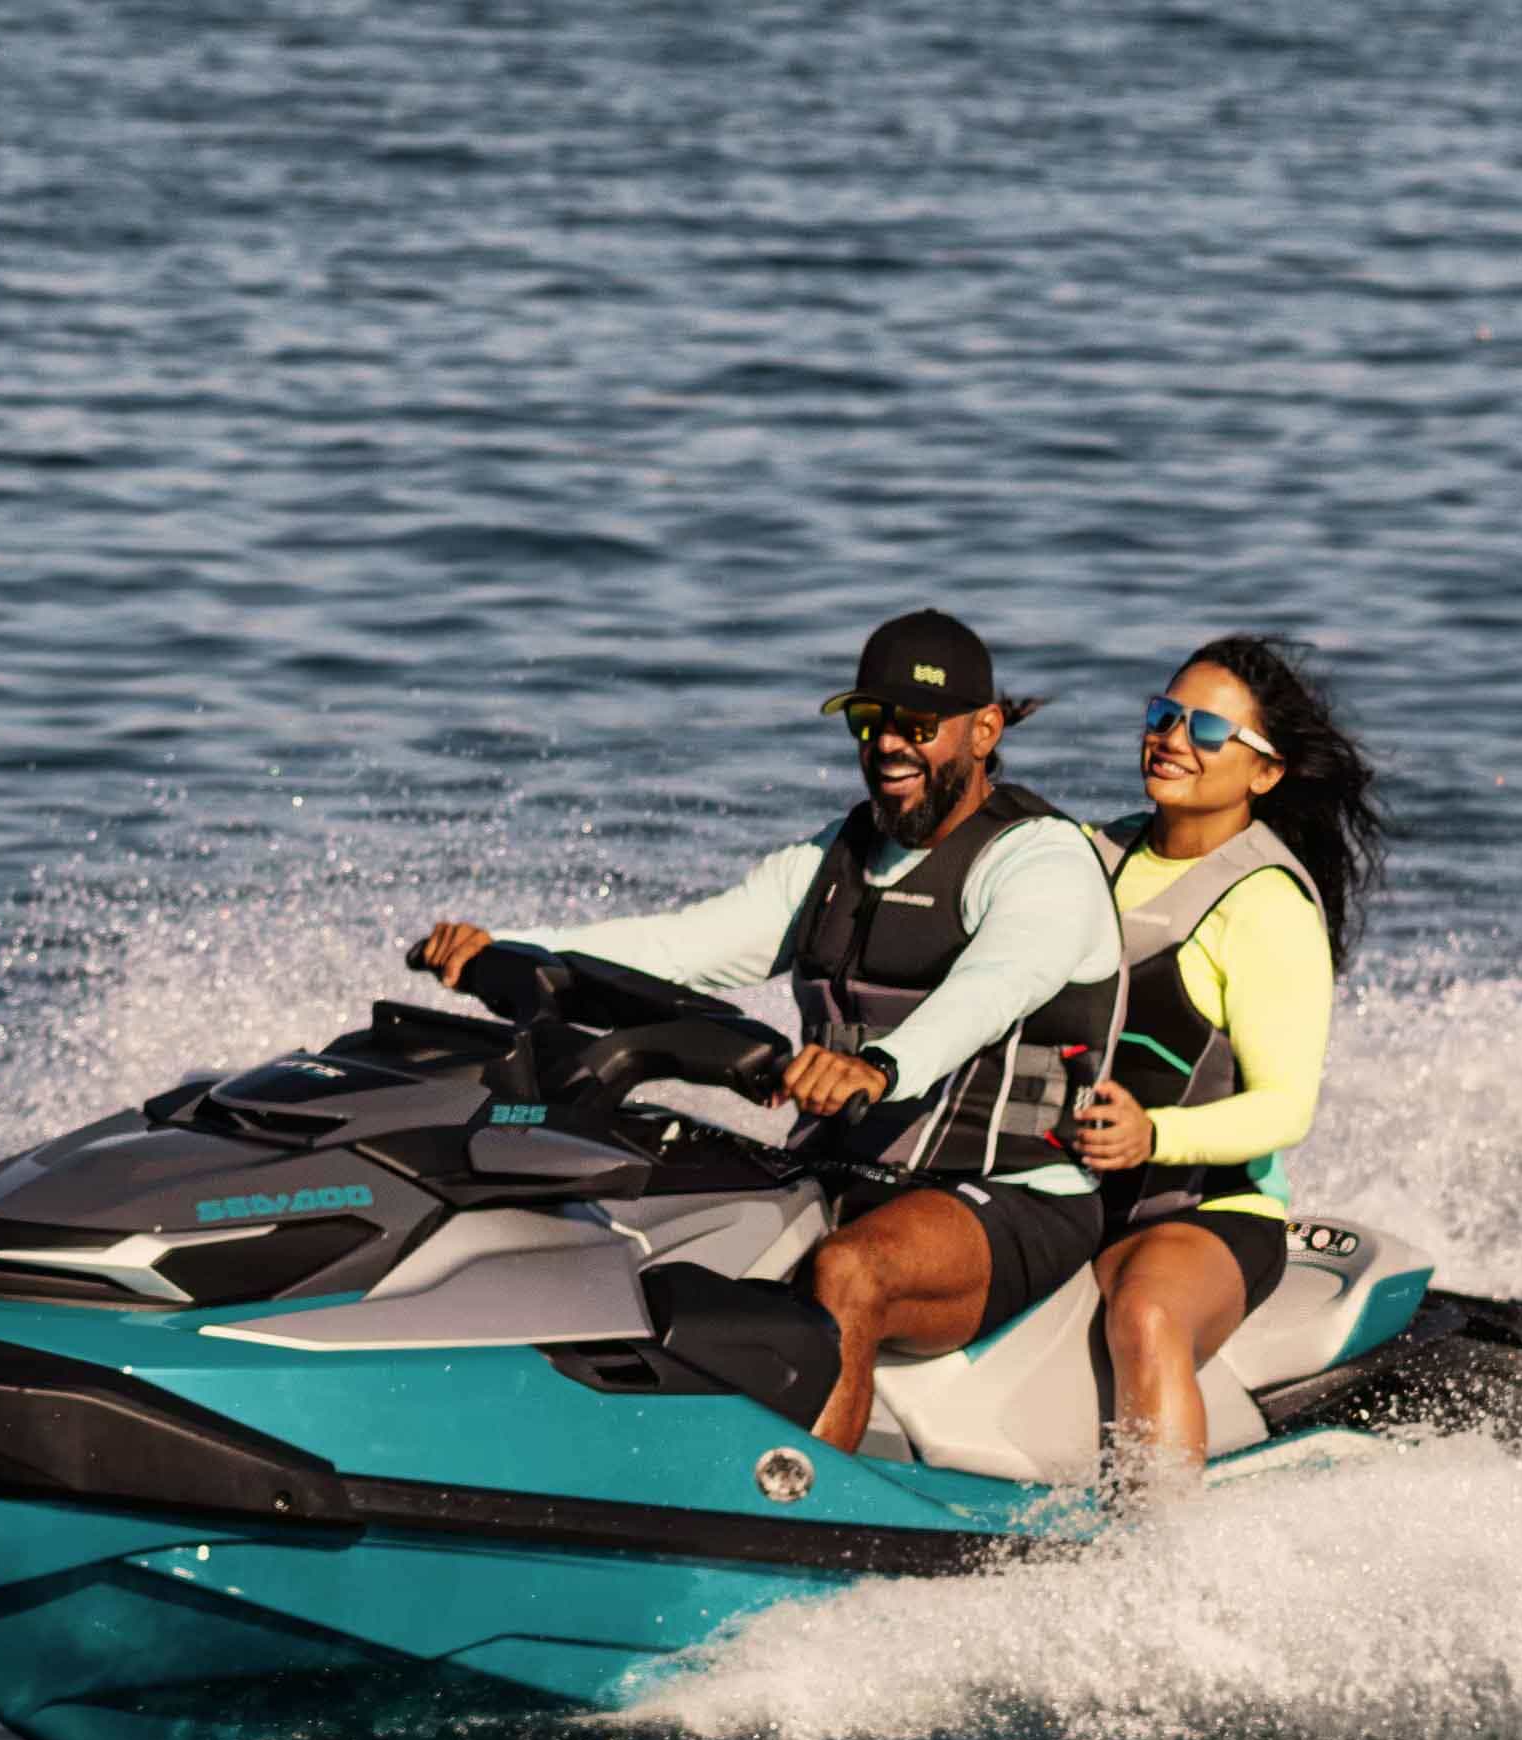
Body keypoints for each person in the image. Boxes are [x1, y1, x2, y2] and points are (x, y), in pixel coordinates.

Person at [414, 609, 1123, 1454]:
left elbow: (996, 983)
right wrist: (511, 949)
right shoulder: (836, 857)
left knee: (850, 1272)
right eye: (871, 722)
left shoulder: (1040, 859)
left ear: (984, 730)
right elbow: (683, 945)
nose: (889, 745)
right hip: (835, 1169)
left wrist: (883, 1066)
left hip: (1010, 1192)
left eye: (917, 726)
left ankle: (813, 1519)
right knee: (617, 1210)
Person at [1069, 634, 1387, 1489]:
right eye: (1162, 715)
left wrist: (1152, 1134)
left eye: (1207, 729)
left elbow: (1286, 1109)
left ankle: (1161, 1561)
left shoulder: (1266, 904)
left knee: (1145, 1313)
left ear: (1265, 772)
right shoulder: (1090, 857)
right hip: (1060, 1192)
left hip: (1206, 1212)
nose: (1172, 737)